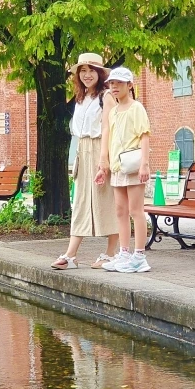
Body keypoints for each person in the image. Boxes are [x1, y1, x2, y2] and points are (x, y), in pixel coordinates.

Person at [51, 53, 119, 270]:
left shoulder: (106, 96)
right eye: (83, 71)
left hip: (101, 148)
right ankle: (71, 255)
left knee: (106, 200)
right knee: (80, 202)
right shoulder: (80, 97)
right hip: (82, 149)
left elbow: (108, 127)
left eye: (91, 70)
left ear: (99, 73)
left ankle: (111, 253)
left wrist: (104, 160)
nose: (87, 75)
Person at [95, 66, 152, 273]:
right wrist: (104, 166)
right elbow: (110, 140)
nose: (114, 86)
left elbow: (144, 135)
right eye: (112, 83)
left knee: (136, 211)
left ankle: (139, 255)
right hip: (119, 167)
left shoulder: (136, 108)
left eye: (119, 83)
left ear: (130, 85)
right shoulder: (113, 112)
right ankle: (125, 252)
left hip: (134, 165)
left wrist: (145, 164)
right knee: (120, 210)